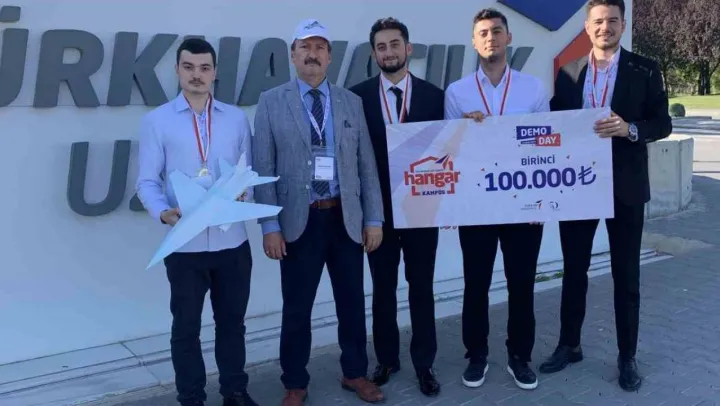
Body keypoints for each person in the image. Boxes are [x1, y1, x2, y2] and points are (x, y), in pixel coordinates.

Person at [538, 0, 672, 392]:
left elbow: (663, 122)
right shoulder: (569, 72)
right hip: (578, 184)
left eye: (612, 20)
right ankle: (569, 344)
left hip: (625, 186)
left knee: (626, 275)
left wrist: (630, 129)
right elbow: (554, 121)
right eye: (598, 21)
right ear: (587, 27)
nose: (605, 27)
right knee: (573, 269)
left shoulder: (645, 69)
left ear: (623, 25)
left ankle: (627, 356)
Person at [251, 19, 385, 406]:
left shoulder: (350, 102)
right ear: (293, 55)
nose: (312, 54)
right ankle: (294, 382)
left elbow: (366, 165)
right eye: (305, 47)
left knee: (352, 303)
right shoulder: (270, 101)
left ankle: (355, 373)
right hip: (299, 222)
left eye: (320, 47)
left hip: (345, 219)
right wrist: (269, 224)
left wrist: (373, 219)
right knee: (297, 308)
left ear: (330, 56)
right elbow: (263, 168)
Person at [135, 38, 257, 406]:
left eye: (204, 68)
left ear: (215, 72)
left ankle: (235, 392)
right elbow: (146, 181)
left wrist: (244, 192)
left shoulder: (236, 119)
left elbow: (247, 173)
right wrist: (162, 211)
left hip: (231, 243)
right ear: (177, 70)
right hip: (184, 245)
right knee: (186, 328)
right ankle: (191, 397)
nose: (196, 75)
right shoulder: (156, 121)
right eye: (188, 67)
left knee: (232, 324)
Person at [444, 8, 550, 391]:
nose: (491, 38)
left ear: (508, 38)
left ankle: (520, 356)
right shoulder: (457, 93)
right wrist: (463, 130)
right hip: (477, 205)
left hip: (523, 204)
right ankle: (476, 355)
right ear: (474, 42)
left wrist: (541, 201)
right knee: (476, 285)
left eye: (497, 31)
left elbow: (546, 147)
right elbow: (450, 151)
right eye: (484, 33)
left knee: (521, 285)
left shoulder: (533, 89)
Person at [348, 17, 443, 397]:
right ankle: (386, 359)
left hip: (422, 210)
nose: (388, 52)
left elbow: (449, 152)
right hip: (378, 215)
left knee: (421, 287)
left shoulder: (435, 96)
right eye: (381, 47)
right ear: (374, 54)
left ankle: (425, 363)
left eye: (394, 44)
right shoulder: (357, 98)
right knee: (383, 288)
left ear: (408, 49)